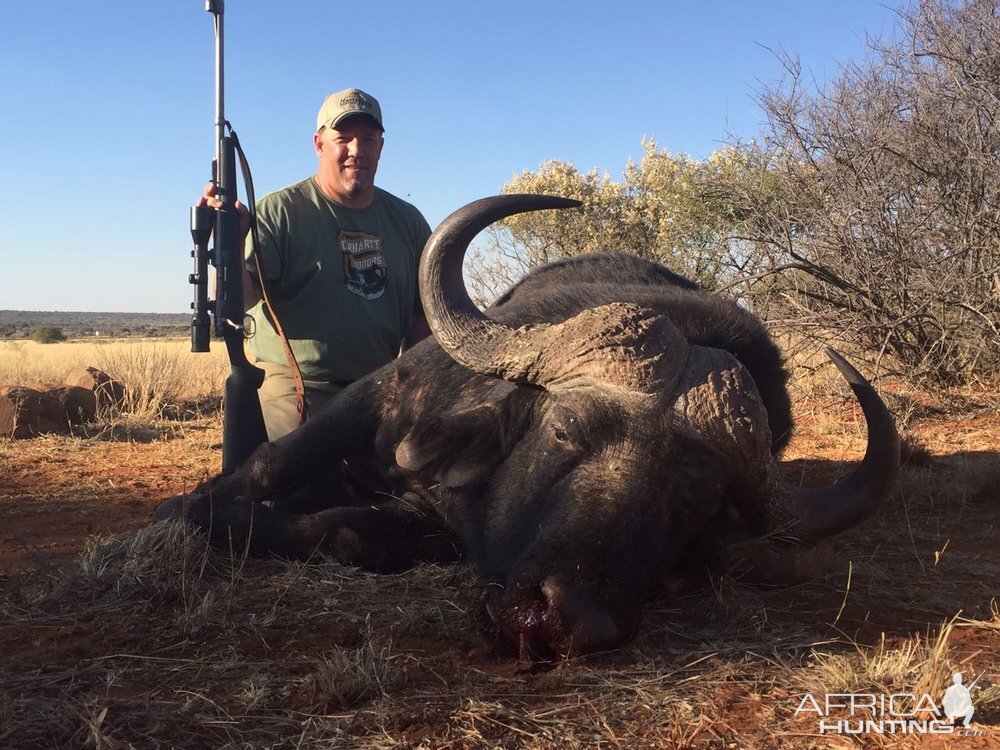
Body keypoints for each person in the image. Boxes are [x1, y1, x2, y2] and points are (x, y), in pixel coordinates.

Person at [200, 87, 431, 441]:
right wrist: (227, 242)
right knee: (299, 474)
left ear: (381, 147)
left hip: (381, 387)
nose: (357, 150)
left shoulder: (409, 221)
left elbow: (421, 316)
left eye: (368, 139)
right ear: (319, 144)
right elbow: (238, 301)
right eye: (344, 138)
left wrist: (411, 388)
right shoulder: (280, 211)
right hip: (297, 383)